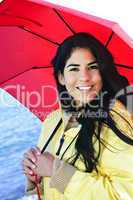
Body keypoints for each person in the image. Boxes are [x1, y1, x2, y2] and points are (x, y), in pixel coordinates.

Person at [22, 32, 133, 200]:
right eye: (74, 69)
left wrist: (56, 172)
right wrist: (35, 177)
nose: (84, 77)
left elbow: (124, 194)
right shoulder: (52, 121)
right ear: (61, 77)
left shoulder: (118, 122)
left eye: (92, 67)